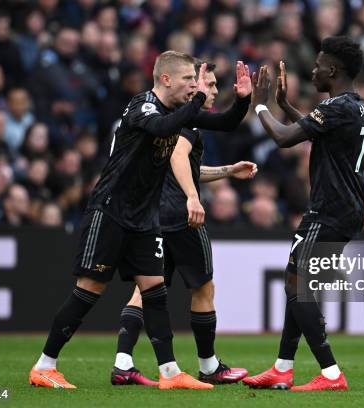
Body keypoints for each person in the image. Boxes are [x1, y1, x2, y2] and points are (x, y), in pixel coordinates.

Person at [28, 51, 250, 390]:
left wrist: (243, 100)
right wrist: (201, 98)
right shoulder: (142, 106)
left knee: (155, 290)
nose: (195, 86)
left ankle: (171, 373)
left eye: (196, 80)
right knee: (89, 289)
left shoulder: (178, 112)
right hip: (111, 211)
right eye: (190, 80)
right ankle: (45, 365)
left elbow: (226, 122)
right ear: (165, 79)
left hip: (144, 218)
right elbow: (163, 128)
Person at [111, 62, 256, 386]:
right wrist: (193, 197)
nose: (213, 91)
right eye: (208, 83)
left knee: (145, 290)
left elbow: (185, 167)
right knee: (204, 288)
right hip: (182, 217)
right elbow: (178, 157)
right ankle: (208, 365)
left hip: (154, 216)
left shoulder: (171, 118)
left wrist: (228, 170)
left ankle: (122, 362)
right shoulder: (184, 123)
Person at [243, 36, 364, 391]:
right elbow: (318, 134)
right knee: (299, 285)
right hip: (347, 206)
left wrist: (261, 106)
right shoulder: (357, 106)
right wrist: (284, 103)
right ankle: (282, 368)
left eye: (318, 65)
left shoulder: (335, 108)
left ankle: (330, 373)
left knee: (298, 285)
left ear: (333, 69)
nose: (313, 70)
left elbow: (285, 139)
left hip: (329, 209)